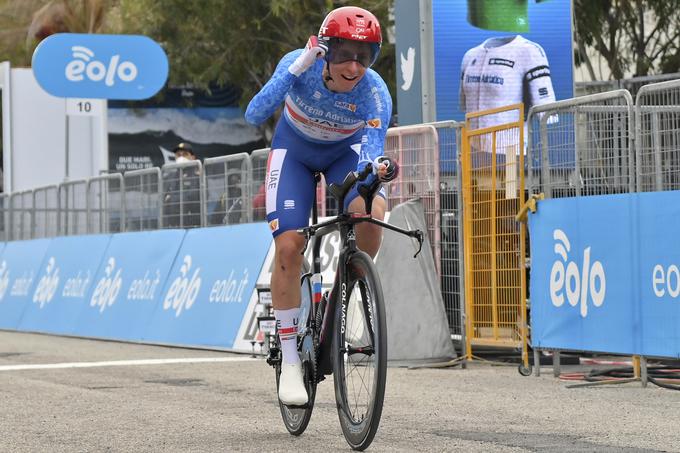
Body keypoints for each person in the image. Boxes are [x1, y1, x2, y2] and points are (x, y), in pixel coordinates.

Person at [245, 6, 398, 406]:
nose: (354, 65)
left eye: (364, 56)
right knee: (290, 246)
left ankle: (357, 288)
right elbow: (254, 114)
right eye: (345, 53)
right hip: (293, 152)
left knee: (369, 208)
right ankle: (292, 358)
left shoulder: (375, 92)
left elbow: (371, 150)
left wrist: (372, 176)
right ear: (326, 50)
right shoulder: (301, 65)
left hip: (341, 155)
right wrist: (294, 70)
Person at [163, 142, 201, 228]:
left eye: (185, 154)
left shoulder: (198, 177)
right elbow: (163, 203)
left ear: (192, 157)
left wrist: (172, 198)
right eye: (178, 155)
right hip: (171, 226)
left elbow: (193, 197)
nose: (181, 157)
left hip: (192, 226)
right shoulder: (169, 177)